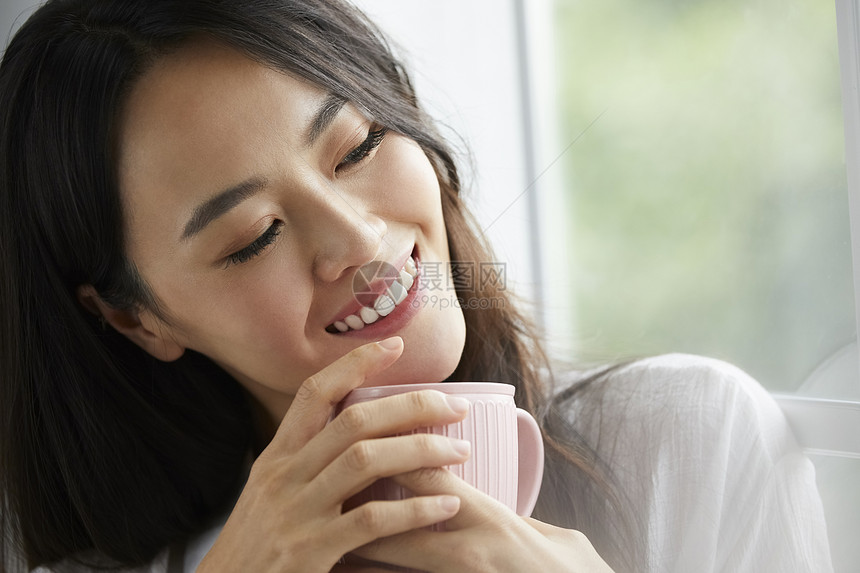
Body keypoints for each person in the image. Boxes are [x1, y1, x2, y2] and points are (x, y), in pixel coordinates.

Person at [0, 0, 833, 571]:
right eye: (253, 236)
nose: (358, 240)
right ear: (133, 316)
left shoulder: (682, 443)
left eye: (358, 148)